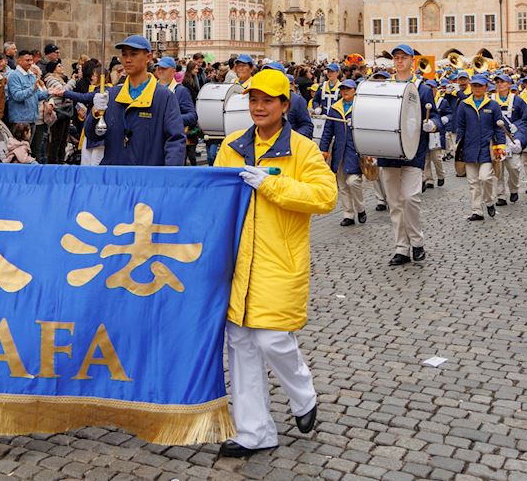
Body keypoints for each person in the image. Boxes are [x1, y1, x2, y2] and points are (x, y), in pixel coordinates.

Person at [213, 67, 336, 458]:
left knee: (271, 337)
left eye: (268, 101)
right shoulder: (231, 145)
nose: (259, 107)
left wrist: (272, 185)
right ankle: (254, 431)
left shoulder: (301, 148)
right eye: (253, 100)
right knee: (241, 345)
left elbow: (324, 195)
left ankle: (303, 393)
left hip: (278, 260)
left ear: (285, 105)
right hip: (237, 263)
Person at [377, 44, 436, 266]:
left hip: (414, 151)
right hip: (389, 152)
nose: (399, 61)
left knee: (411, 198)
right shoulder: (385, 86)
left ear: (412, 60)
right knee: (394, 202)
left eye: (403, 58)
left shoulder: (421, 88)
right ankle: (401, 247)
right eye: (396, 58)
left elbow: (440, 115)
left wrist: (433, 123)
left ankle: (417, 242)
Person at [100, 36, 185, 166]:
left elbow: (175, 140)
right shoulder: (112, 95)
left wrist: (170, 177)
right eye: (124, 55)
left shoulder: (164, 97)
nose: (127, 60)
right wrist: (96, 114)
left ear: (148, 57)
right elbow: (93, 136)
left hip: (148, 179)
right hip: (116, 178)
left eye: (133, 54)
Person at [446, 73, 507, 222]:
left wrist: (500, 147)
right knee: (473, 182)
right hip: (469, 148)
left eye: (480, 85)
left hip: (487, 148)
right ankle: (477, 211)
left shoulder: (493, 105)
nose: (477, 88)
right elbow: (460, 126)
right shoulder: (464, 104)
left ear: (486, 87)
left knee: (485, 178)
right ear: (471, 87)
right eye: (475, 85)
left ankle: (489, 201)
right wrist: (457, 144)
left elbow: (499, 127)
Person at [319, 78, 365, 226]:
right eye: (342, 89)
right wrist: (324, 149)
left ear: (354, 91)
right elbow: (328, 130)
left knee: (353, 181)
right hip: (339, 150)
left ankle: (360, 208)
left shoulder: (361, 106)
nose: (344, 91)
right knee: (342, 184)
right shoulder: (335, 108)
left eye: (348, 89)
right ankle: (348, 214)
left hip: (355, 150)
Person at [490, 73, 527, 206]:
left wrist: (517, 127)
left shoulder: (517, 100)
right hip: (496, 140)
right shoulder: (490, 100)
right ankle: (500, 195)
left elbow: (524, 118)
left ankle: (514, 189)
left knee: (514, 168)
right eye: (498, 82)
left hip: (511, 139)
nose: (500, 84)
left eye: (503, 82)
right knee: (498, 168)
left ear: (509, 84)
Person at [6, 49, 50, 137]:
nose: (30, 63)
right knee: (20, 148)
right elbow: (17, 96)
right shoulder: (14, 75)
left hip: (32, 119)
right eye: (27, 60)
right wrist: (33, 88)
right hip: (20, 120)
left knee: (28, 149)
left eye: (31, 60)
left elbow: (37, 96)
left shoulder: (32, 75)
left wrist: (49, 92)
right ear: (19, 60)